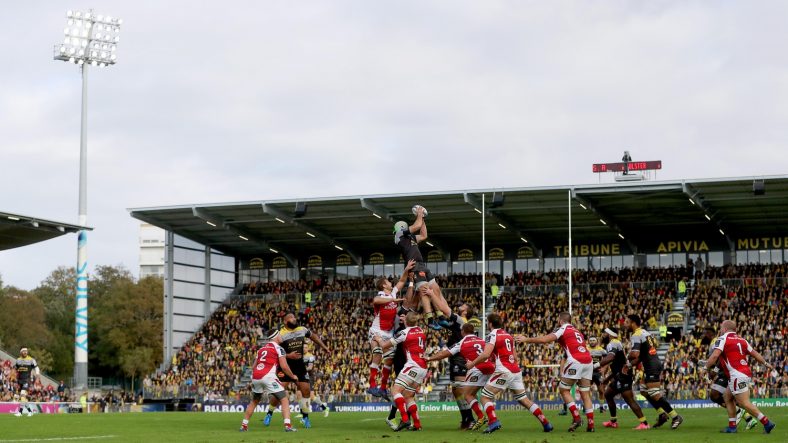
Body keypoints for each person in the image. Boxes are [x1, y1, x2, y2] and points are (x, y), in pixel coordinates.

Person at [467, 313, 553, 435]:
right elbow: (515, 356)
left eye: (487, 322)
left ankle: (493, 421)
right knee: (524, 400)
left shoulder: (492, 334)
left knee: (485, 397)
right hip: (515, 370)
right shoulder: (508, 335)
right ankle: (546, 423)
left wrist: (472, 364)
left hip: (504, 370)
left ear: (490, 323)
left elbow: (485, 354)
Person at [517, 312, 594, 432]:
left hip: (576, 361)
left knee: (564, 389)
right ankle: (591, 425)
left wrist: (526, 339)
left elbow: (544, 340)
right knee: (585, 394)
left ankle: (577, 418)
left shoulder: (562, 329)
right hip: (588, 361)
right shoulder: (577, 331)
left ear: (560, 320)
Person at [704, 320, 776, 434]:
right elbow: (756, 354)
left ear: (725, 329)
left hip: (736, 375)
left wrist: (704, 368)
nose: (720, 330)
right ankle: (732, 427)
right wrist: (766, 364)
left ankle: (767, 423)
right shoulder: (742, 340)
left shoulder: (722, 339)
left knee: (744, 403)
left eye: (721, 327)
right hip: (744, 373)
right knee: (727, 397)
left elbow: (714, 356)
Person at [393, 206, 455, 330]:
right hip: (414, 265)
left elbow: (424, 234)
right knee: (424, 290)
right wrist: (420, 214)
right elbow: (416, 226)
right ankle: (430, 319)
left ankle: (440, 316)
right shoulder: (399, 235)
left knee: (435, 289)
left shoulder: (410, 238)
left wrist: (423, 219)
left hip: (422, 264)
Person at [263, 313, 330, 429]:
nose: (294, 319)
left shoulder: (302, 329)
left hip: (299, 366)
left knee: (306, 391)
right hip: (285, 366)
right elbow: (274, 350)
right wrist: (289, 355)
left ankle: (305, 417)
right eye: (291, 318)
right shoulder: (280, 334)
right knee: (278, 391)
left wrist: (324, 347)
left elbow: (314, 336)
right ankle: (269, 413)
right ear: (285, 321)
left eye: (294, 317)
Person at [426, 318, 493, 430]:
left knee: (467, 394)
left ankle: (480, 417)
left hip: (477, 369)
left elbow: (444, 354)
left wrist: (429, 358)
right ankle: (491, 419)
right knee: (485, 396)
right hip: (491, 368)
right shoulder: (482, 340)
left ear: (462, 332)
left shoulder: (462, 342)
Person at [367, 260, 415, 400]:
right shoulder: (381, 295)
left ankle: (382, 388)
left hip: (388, 333)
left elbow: (402, 280)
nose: (390, 282)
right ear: (383, 285)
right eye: (388, 281)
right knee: (377, 353)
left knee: (388, 361)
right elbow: (376, 301)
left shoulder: (393, 293)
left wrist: (406, 269)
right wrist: (394, 300)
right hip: (376, 330)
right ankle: (371, 386)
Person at [624, 314, 683, 430]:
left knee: (654, 394)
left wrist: (627, 357)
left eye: (626, 322)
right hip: (652, 363)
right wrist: (630, 365)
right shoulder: (645, 332)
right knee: (644, 391)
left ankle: (675, 416)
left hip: (651, 365)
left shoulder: (636, 335)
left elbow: (635, 354)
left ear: (632, 323)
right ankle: (662, 415)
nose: (624, 324)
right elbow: (642, 355)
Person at [374, 311, 427, 431]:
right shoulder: (421, 330)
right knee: (408, 396)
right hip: (423, 367)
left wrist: (378, 338)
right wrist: (408, 321)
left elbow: (384, 346)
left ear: (405, 321)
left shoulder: (404, 333)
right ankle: (417, 424)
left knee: (395, 390)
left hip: (413, 365)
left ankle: (405, 419)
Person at [240, 329, 298, 432]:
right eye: (280, 334)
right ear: (275, 336)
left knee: (254, 401)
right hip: (268, 376)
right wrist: (292, 376)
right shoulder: (279, 348)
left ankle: (244, 425)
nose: (281, 336)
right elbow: (284, 367)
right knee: (284, 399)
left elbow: (254, 367)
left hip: (256, 377)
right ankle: (288, 426)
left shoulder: (261, 349)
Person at [701, 327, 755, 430]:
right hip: (728, 372)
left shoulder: (716, 341)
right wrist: (699, 362)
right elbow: (711, 361)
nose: (703, 336)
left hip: (726, 372)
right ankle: (749, 418)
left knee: (715, 395)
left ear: (709, 333)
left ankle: (741, 414)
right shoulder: (714, 342)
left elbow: (719, 358)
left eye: (704, 333)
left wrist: (715, 370)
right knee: (732, 398)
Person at [596, 328, 649, 429]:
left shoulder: (613, 343)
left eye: (605, 333)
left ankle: (644, 423)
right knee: (608, 394)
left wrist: (596, 365)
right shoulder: (614, 343)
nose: (603, 335)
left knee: (629, 399)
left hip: (624, 376)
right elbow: (617, 366)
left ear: (610, 334)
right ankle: (613, 422)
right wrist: (607, 379)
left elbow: (610, 358)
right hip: (620, 375)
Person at [14, 347, 39, 417]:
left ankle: (20, 412)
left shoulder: (31, 359)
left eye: (26, 351)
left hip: (27, 380)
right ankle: (30, 411)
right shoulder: (18, 360)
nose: (25, 352)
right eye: (23, 351)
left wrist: (37, 376)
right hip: (20, 380)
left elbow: (37, 368)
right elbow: (15, 368)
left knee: (22, 394)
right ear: (21, 352)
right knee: (23, 397)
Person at [586, 336, 607, 413]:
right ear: (588, 341)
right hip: (588, 372)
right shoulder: (586, 349)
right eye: (590, 340)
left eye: (593, 340)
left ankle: (601, 407)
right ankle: (586, 407)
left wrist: (604, 368)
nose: (592, 342)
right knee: (586, 390)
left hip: (598, 373)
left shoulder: (601, 350)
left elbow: (608, 359)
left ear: (596, 341)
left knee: (601, 390)